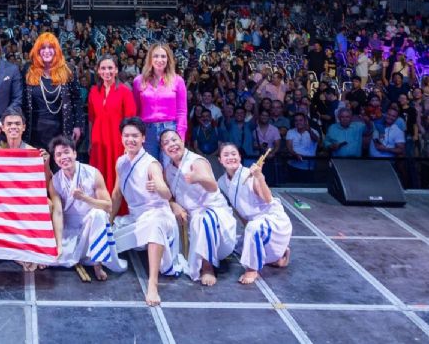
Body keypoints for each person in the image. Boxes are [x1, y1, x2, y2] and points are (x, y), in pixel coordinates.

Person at [110, 118, 185, 306]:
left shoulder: (152, 164)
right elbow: (117, 193)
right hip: (136, 217)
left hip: (157, 215)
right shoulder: (121, 162)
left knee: (153, 225)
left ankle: (153, 283)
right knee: (105, 237)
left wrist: (159, 187)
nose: (130, 140)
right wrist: (108, 220)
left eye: (135, 136)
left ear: (143, 138)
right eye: (126, 136)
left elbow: (166, 193)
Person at [160, 129, 236, 286]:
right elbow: (169, 195)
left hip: (213, 213)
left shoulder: (196, 161)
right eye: (166, 143)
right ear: (162, 149)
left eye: (174, 140)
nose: (171, 145)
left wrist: (198, 177)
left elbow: (212, 186)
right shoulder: (168, 169)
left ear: (182, 141)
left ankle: (208, 267)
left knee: (204, 219)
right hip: (189, 215)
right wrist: (173, 204)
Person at [49, 135, 125, 281]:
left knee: (99, 214)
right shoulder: (55, 181)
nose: (63, 157)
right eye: (58, 154)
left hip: (91, 226)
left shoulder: (92, 173)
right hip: (69, 229)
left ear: (75, 153)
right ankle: (75, 253)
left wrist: (84, 198)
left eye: (66, 152)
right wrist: (58, 245)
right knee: (52, 258)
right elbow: (58, 213)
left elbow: (108, 206)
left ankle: (97, 263)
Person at [216, 144, 292, 285]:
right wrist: (247, 232)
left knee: (253, 231)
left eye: (234, 154)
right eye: (226, 155)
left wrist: (259, 177)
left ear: (240, 157)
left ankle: (252, 270)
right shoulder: (221, 182)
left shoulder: (249, 174)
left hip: (272, 219)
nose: (230, 157)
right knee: (237, 248)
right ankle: (279, 257)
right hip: (254, 224)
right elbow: (237, 209)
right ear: (220, 160)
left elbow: (268, 199)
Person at [23, 32, 84, 151]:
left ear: (56, 50)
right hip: (34, 131)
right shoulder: (28, 69)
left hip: (61, 130)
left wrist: (78, 125)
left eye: (51, 47)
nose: (47, 51)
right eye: (43, 48)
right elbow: (22, 100)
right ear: (37, 51)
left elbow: (77, 100)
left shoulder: (68, 69)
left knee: (59, 167)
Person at [87, 55, 136, 195]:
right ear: (98, 71)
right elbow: (91, 119)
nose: (106, 71)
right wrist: (91, 142)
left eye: (110, 68)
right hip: (98, 141)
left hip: (117, 141)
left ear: (116, 70)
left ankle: (117, 211)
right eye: (103, 68)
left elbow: (131, 121)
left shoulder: (125, 91)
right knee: (99, 174)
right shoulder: (93, 92)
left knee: (117, 176)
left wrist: (128, 145)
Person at [132, 43, 187, 161]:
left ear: (168, 59)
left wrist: (181, 137)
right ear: (150, 59)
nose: (159, 60)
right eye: (156, 56)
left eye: (163, 56)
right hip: (147, 131)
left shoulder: (177, 80)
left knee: (170, 170)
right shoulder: (138, 81)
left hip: (170, 130)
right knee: (150, 170)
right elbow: (136, 111)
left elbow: (182, 112)